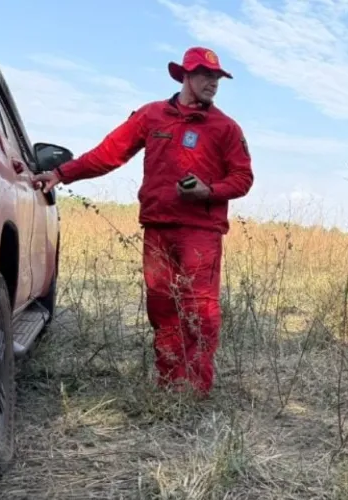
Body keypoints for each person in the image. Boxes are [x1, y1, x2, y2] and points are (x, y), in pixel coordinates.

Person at [31, 47, 254, 398]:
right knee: (162, 308)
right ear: (184, 75)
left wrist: (208, 191)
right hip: (158, 228)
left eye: (216, 77)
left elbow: (243, 178)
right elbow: (108, 154)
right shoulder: (152, 116)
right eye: (204, 75)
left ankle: (194, 391)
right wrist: (61, 173)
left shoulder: (226, 128)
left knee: (201, 311)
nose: (212, 82)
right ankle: (168, 385)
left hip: (201, 233)